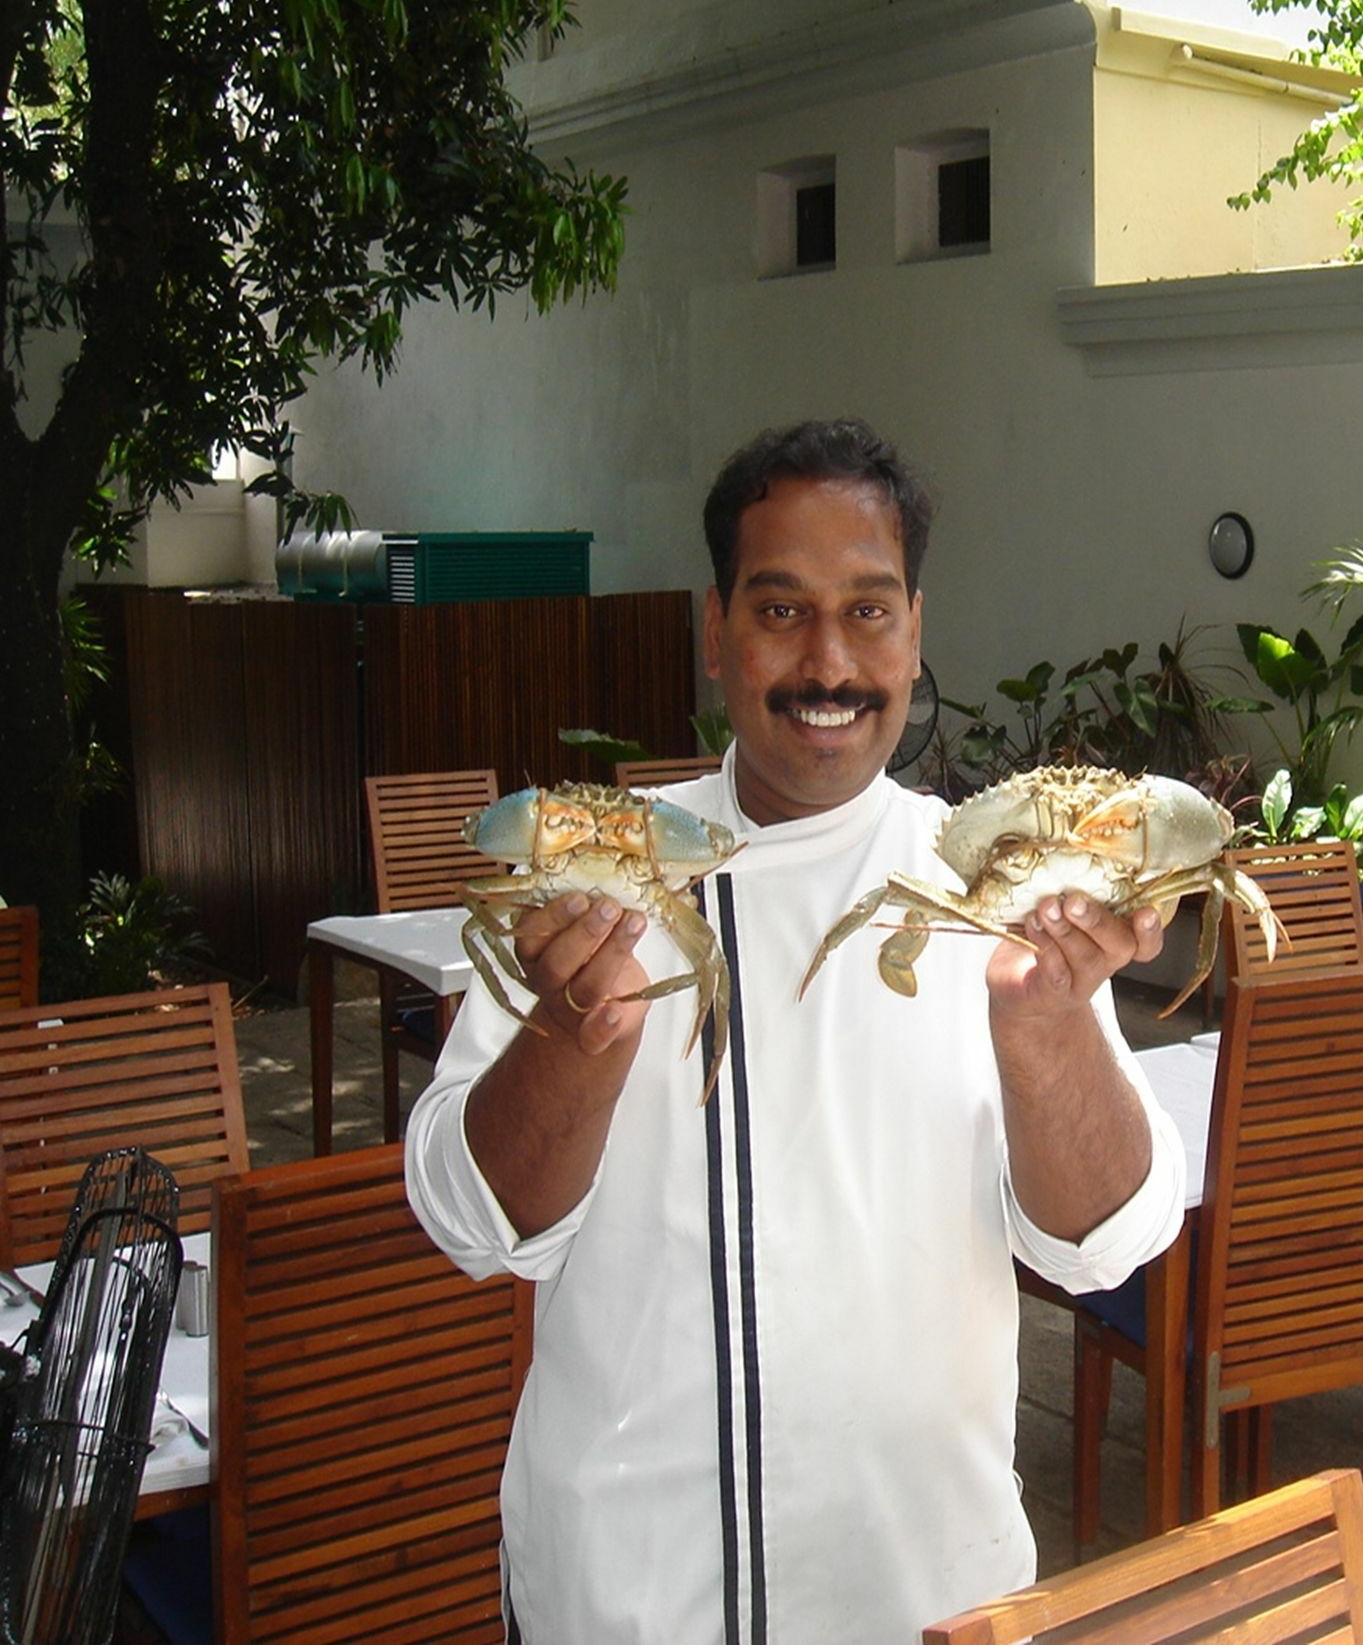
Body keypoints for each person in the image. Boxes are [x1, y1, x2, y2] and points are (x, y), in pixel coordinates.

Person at [405, 418, 1186, 1644]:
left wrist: (1048, 1036)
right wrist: (573, 1033)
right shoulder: (599, 873)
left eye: (867, 611)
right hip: (625, 1594)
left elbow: (1110, 1239)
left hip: (925, 1588)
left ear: (915, 628)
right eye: (779, 611)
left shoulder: (984, 876)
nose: (829, 661)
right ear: (714, 629)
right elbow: (468, 1223)